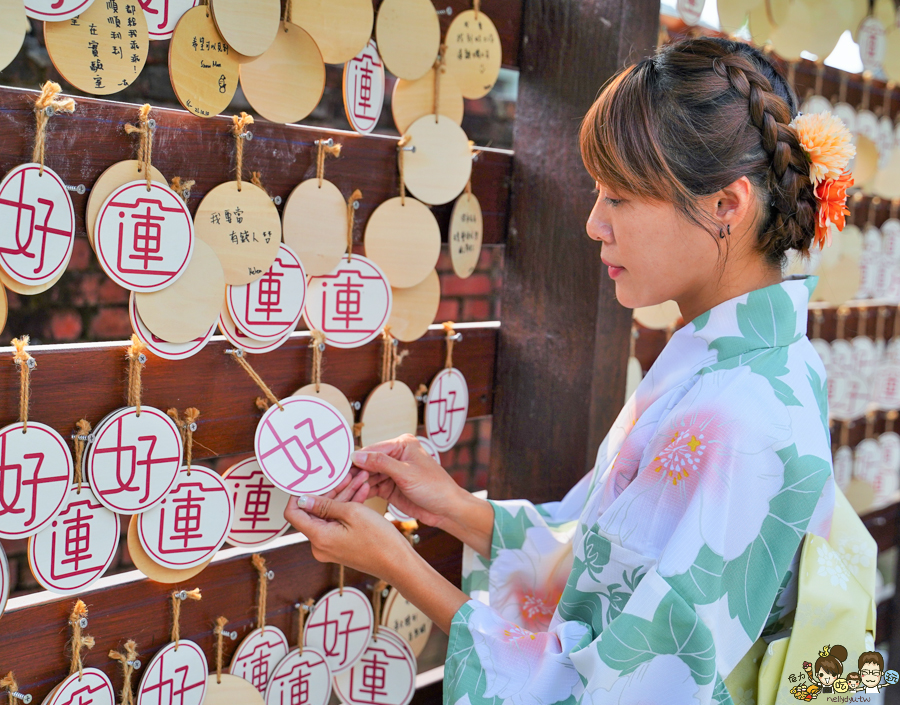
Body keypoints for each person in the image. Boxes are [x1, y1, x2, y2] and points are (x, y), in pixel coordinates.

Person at [285, 37, 855, 704]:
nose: (593, 224)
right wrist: (456, 508)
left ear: (727, 206)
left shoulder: (732, 417)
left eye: (620, 197)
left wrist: (397, 565)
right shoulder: (759, 365)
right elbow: (609, 556)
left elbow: (619, 684)